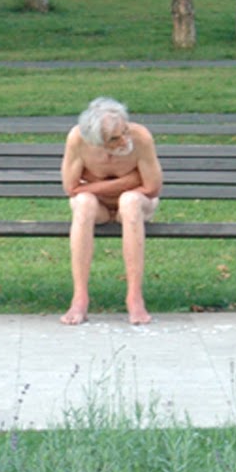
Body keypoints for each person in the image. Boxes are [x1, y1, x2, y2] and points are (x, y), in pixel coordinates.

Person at [60, 97, 164, 325]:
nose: (125, 140)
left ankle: (135, 299)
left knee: (129, 201)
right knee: (83, 202)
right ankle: (79, 299)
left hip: (138, 203)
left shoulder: (141, 138)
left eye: (125, 131)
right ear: (96, 142)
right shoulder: (78, 140)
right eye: (115, 139)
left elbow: (152, 188)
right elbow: (71, 188)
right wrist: (130, 179)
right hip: (97, 207)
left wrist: (98, 185)